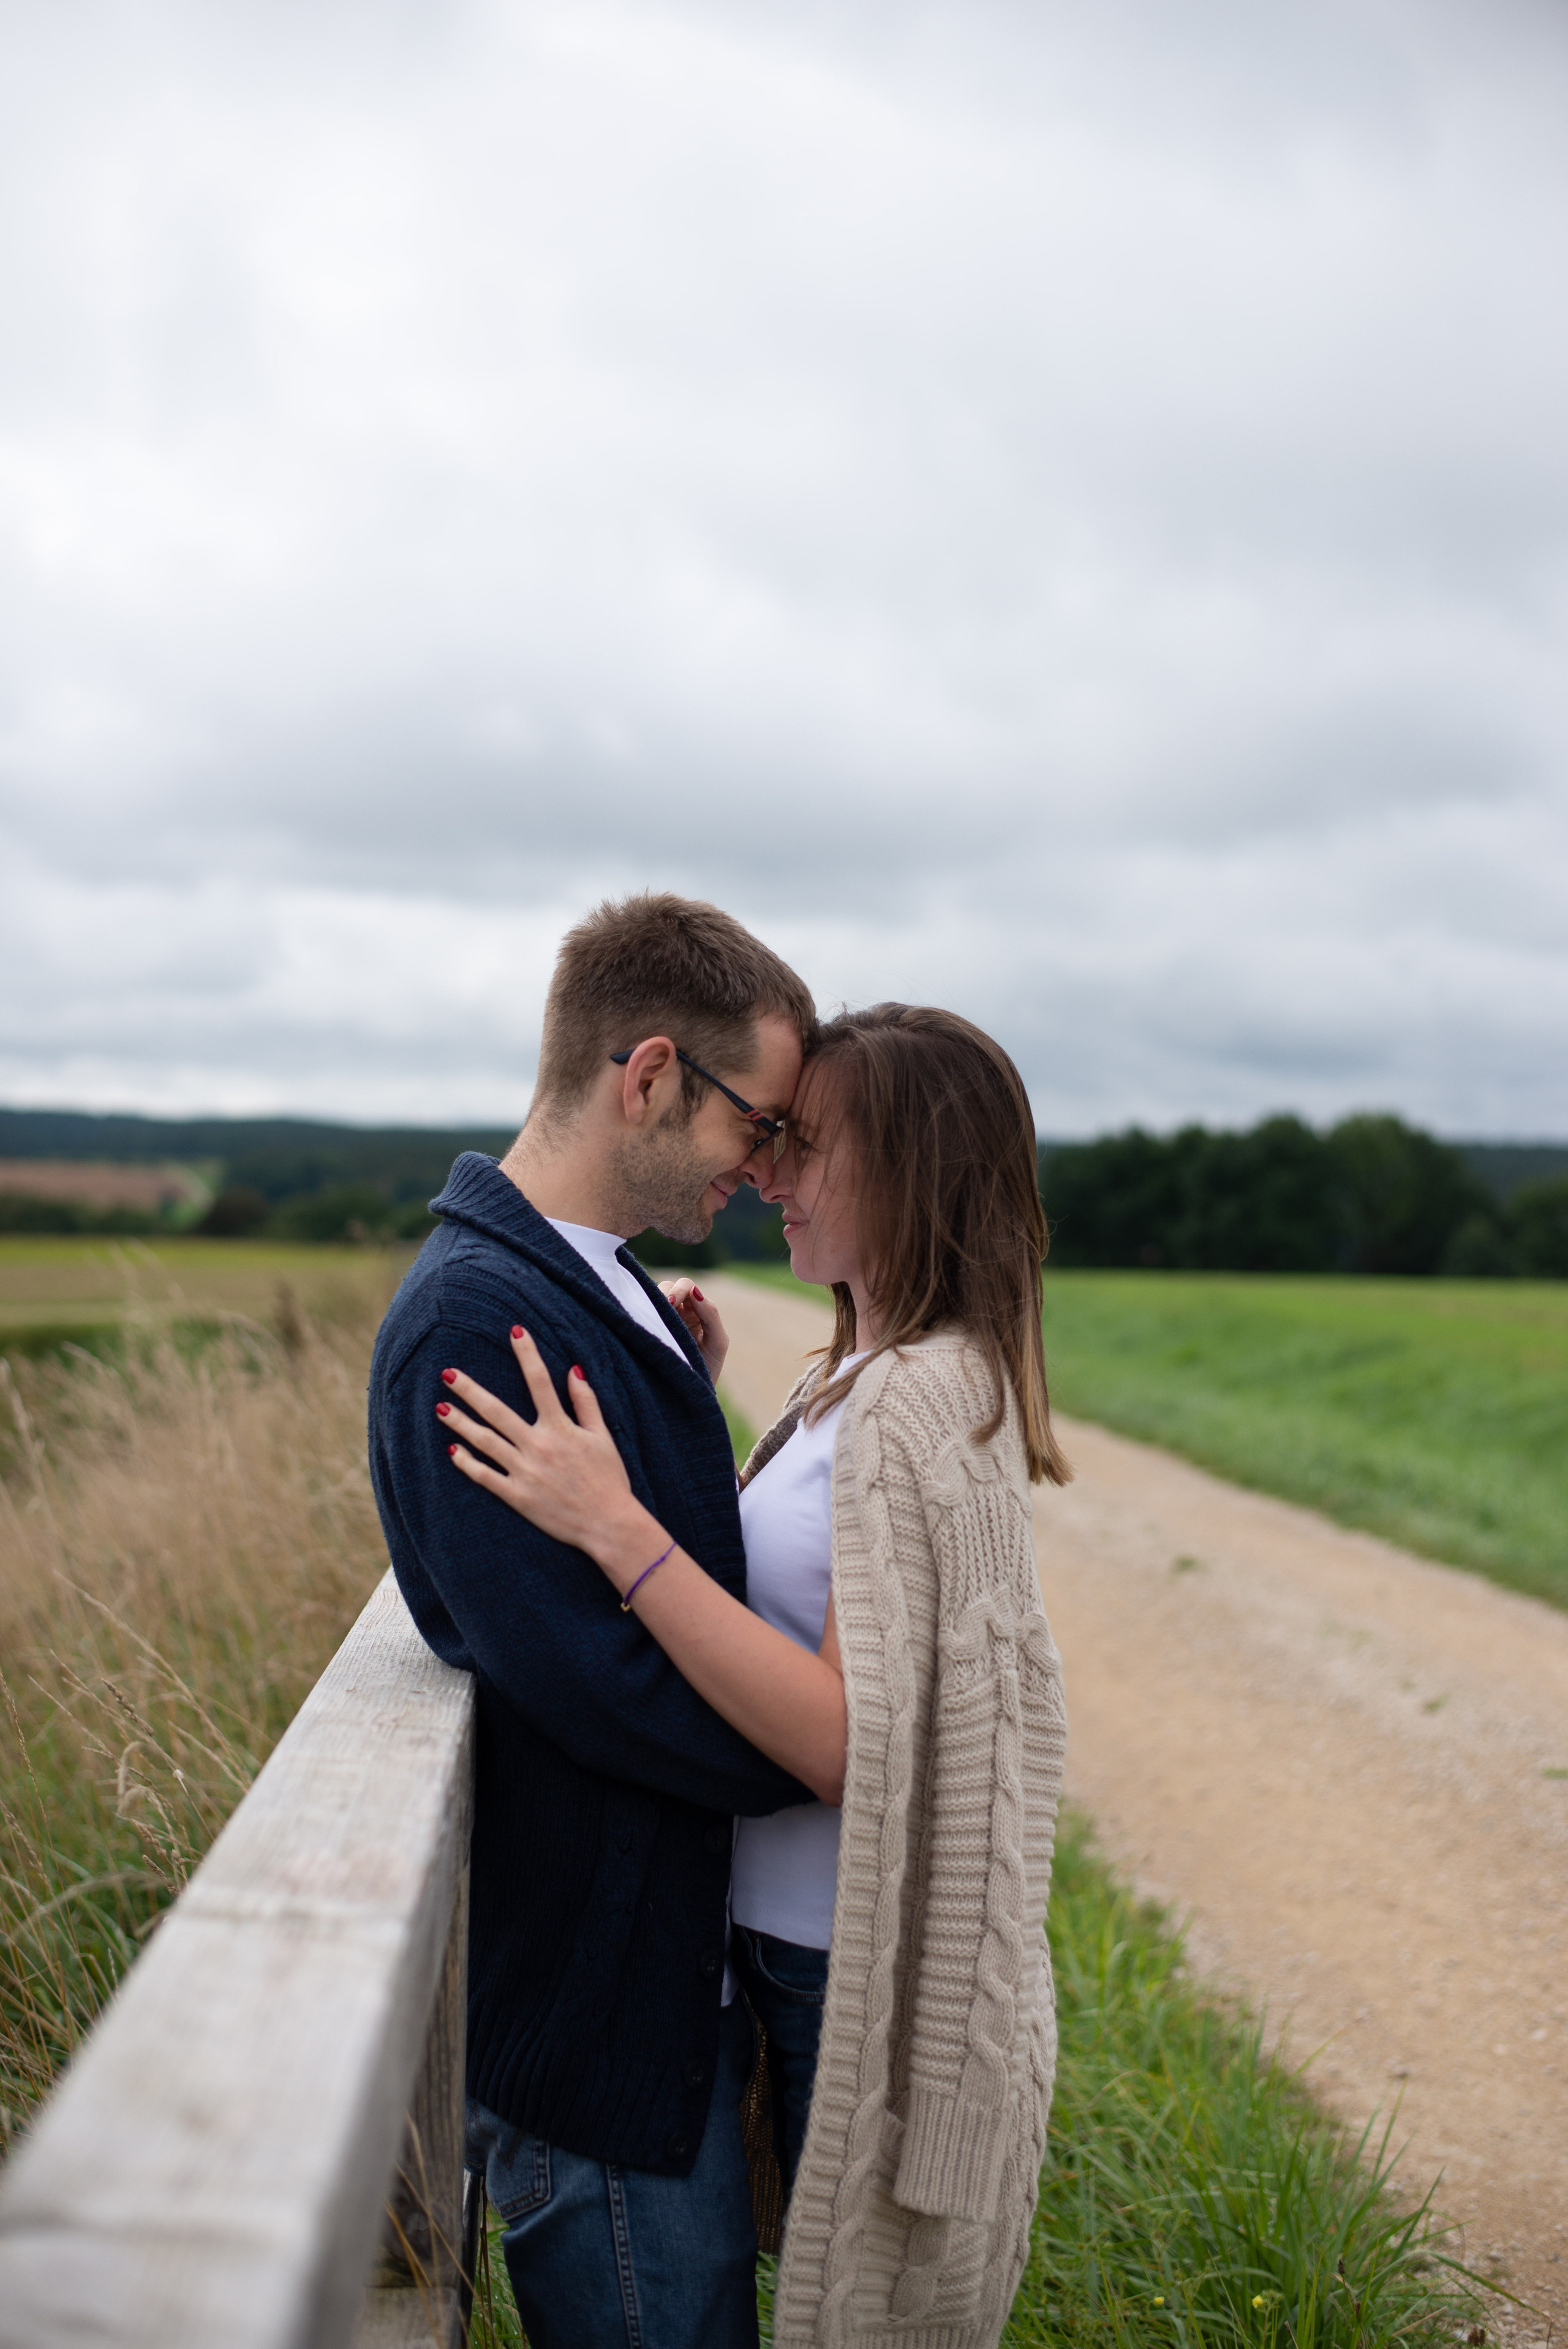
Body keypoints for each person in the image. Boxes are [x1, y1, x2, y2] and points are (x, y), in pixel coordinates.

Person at [442, 1002, 1072, 2348]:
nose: (768, 1176)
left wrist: (616, 1525)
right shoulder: (852, 1377)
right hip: (781, 1949)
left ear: (907, 1171)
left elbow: (846, 1740)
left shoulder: (910, 1400)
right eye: (768, 1138)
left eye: (805, 1145)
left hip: (836, 1966)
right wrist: (697, 1403)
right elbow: (797, 1592)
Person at [367, 891, 820, 2349]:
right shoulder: (471, 1324)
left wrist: (667, 1373)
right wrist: (823, 1757)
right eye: (755, 1124)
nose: (765, 1167)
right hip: (600, 2023)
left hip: (661, 1984)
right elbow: (594, 1677)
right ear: (646, 1077)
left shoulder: (587, 1288)